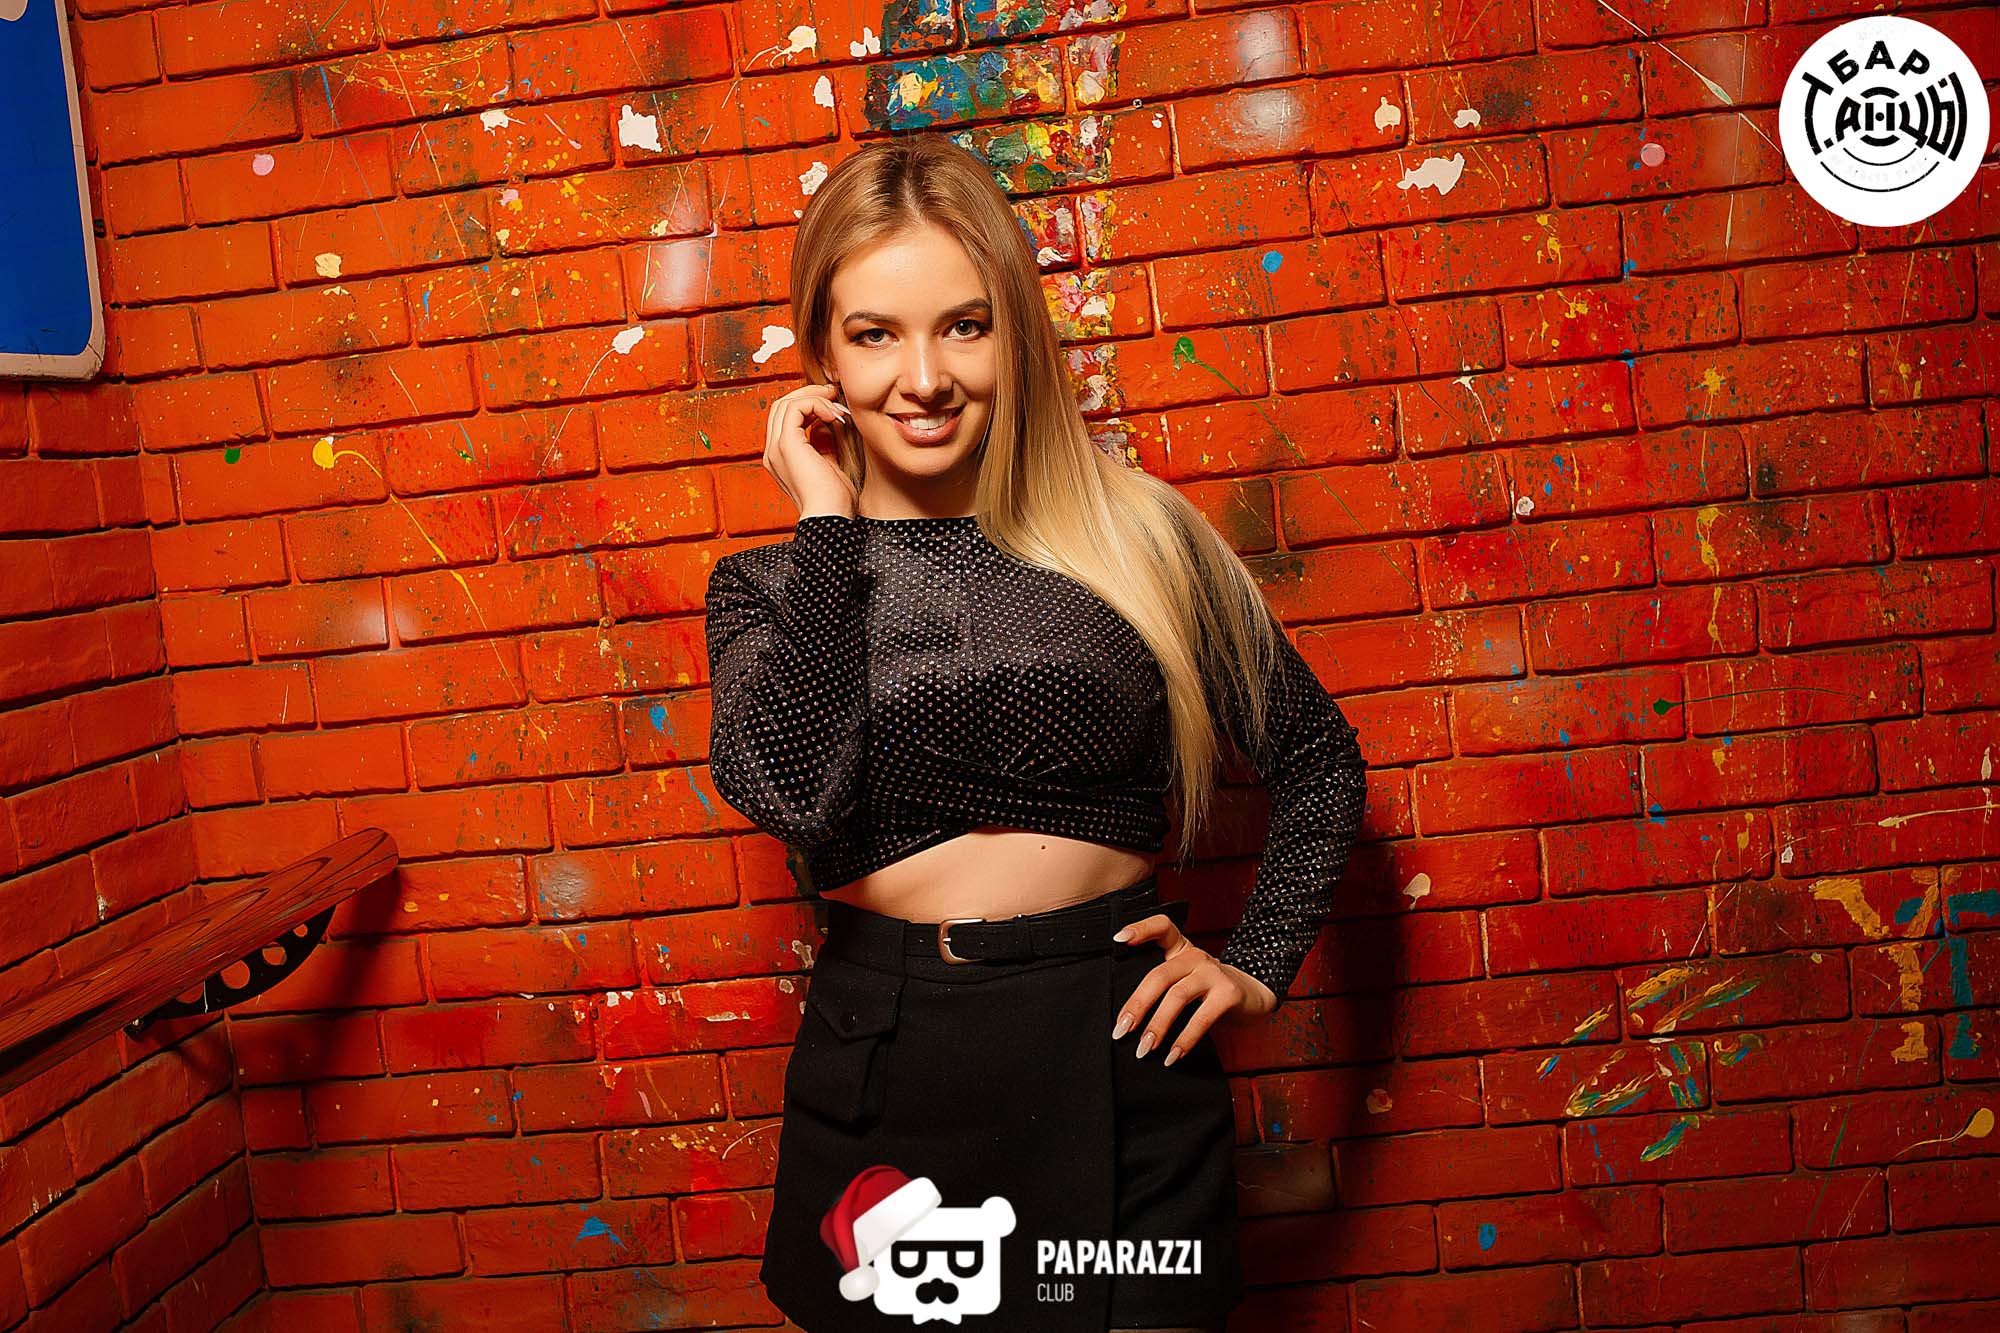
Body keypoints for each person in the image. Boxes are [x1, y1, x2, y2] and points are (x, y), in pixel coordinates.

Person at [703, 132, 1368, 1333]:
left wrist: (1254, 965)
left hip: (1118, 1055)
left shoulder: (1135, 537)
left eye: (963, 325)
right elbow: (789, 792)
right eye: (874, 335)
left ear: (1015, 332)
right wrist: (826, 522)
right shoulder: (773, 585)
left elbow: (1316, 761)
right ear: (821, 361)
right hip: (891, 1070)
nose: (923, 378)